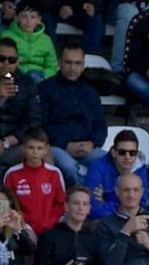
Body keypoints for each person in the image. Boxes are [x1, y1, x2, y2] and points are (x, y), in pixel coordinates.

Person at [36, 43, 106, 188]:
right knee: (69, 167)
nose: (72, 68)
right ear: (59, 63)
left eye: (77, 63)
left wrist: (92, 143)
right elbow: (41, 126)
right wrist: (66, 144)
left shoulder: (90, 92)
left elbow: (101, 125)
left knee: (112, 160)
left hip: (88, 147)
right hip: (57, 147)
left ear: (83, 65)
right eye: (68, 62)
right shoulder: (45, 89)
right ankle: (85, 199)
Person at [85, 129, 149, 222]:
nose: (127, 157)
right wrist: (127, 206)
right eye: (122, 152)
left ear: (137, 154)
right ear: (114, 152)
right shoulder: (97, 168)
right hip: (105, 222)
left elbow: (143, 205)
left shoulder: (142, 171)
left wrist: (106, 202)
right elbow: (92, 209)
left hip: (134, 221)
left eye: (132, 153)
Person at [33, 183, 96, 265]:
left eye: (85, 204)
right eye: (76, 203)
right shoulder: (49, 237)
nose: (81, 208)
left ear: (89, 209)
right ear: (66, 206)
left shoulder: (94, 238)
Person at [0, 35, 41, 170]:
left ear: (18, 62)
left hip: (14, 143)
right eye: (1, 59)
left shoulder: (27, 84)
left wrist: (8, 141)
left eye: (11, 60)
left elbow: (33, 121)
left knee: (42, 156)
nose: (6, 63)